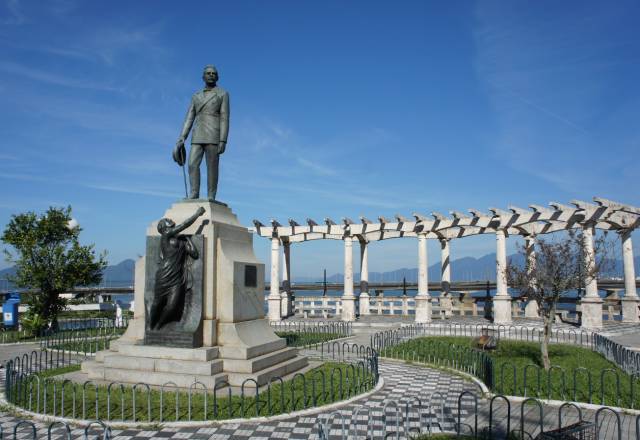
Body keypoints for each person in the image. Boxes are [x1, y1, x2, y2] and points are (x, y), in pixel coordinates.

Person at [173, 65, 230, 201]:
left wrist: (223, 140)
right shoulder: (196, 96)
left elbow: (225, 118)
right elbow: (189, 117)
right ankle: (194, 193)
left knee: (211, 167)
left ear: (217, 77)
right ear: (203, 77)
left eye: (213, 73)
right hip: (198, 134)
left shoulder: (222, 94)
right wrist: (182, 137)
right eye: (208, 73)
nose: (211, 75)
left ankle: (211, 195)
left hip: (213, 134)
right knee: (192, 163)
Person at [149, 206, 205, 330]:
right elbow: (185, 224)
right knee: (157, 303)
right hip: (164, 275)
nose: (169, 219)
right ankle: (150, 325)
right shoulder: (166, 236)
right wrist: (197, 214)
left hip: (177, 278)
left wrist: (188, 239)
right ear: (164, 228)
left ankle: (159, 325)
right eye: (167, 220)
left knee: (172, 306)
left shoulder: (180, 241)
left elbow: (195, 254)